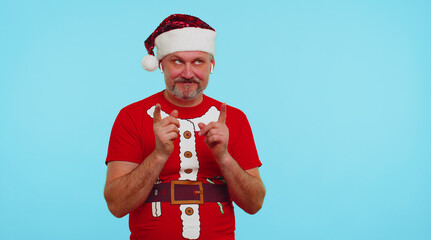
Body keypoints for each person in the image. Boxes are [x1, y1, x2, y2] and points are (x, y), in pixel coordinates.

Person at [104, 14, 265, 240]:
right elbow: (116, 205)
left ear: (212, 65)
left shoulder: (235, 119)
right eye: (177, 61)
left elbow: (254, 203)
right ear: (161, 65)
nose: (188, 74)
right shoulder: (131, 117)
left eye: (198, 61)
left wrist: (224, 157)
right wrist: (159, 155)